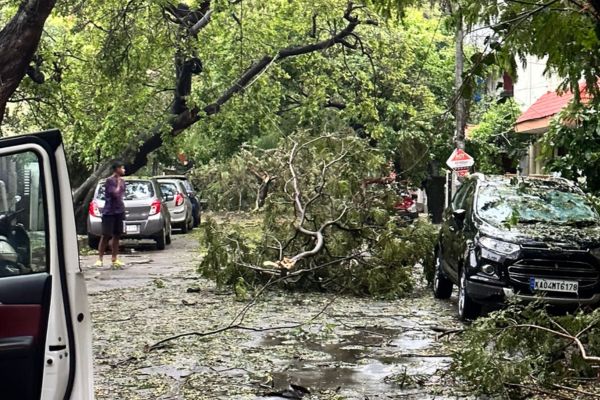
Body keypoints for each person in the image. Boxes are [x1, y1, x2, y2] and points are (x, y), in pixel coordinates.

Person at [94, 161, 126, 269]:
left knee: (117, 235)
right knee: (106, 235)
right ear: (117, 169)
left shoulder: (122, 181)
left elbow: (121, 194)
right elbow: (115, 193)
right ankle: (100, 259)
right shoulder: (109, 181)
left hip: (119, 211)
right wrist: (118, 184)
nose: (123, 170)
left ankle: (114, 258)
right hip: (109, 211)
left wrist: (120, 183)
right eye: (122, 168)